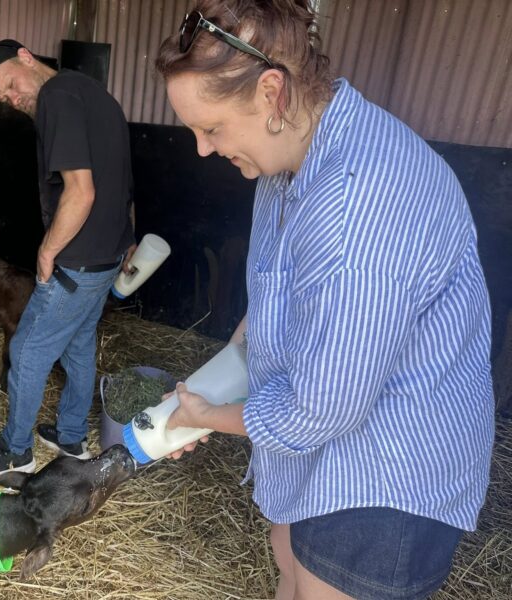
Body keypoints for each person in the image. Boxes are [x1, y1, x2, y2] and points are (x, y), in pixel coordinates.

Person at [155, 2, 495, 599]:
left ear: (270, 92)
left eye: (211, 128)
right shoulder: (287, 161)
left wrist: (208, 419)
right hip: (324, 457)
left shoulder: (354, 203)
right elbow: (274, 300)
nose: (203, 150)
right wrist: (203, 392)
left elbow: (321, 410)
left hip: (388, 474)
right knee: (286, 557)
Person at [0, 40, 135, 481]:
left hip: (77, 262)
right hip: (107, 255)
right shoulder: (92, 93)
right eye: (4, 98)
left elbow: (81, 191)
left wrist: (47, 250)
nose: (14, 98)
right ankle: (72, 436)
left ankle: (15, 452)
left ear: (26, 57)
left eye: (11, 85)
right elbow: (125, 179)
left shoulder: (56, 98)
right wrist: (128, 238)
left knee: (28, 350)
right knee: (78, 343)